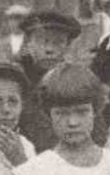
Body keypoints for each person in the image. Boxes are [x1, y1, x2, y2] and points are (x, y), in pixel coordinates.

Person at [15, 10, 84, 150]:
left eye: (58, 42)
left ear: (67, 46)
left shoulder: (78, 82)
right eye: (42, 41)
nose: (49, 49)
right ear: (28, 43)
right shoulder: (15, 80)